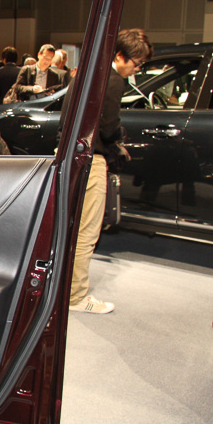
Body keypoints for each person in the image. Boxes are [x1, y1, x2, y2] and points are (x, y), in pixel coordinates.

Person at [64, 28, 152, 313]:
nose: (137, 69)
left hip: (70, 157)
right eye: (136, 63)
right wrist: (117, 142)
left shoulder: (86, 74)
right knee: (87, 233)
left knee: (69, 229)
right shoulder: (113, 82)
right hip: (91, 160)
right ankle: (76, 297)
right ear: (120, 56)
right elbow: (109, 126)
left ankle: (63, 291)